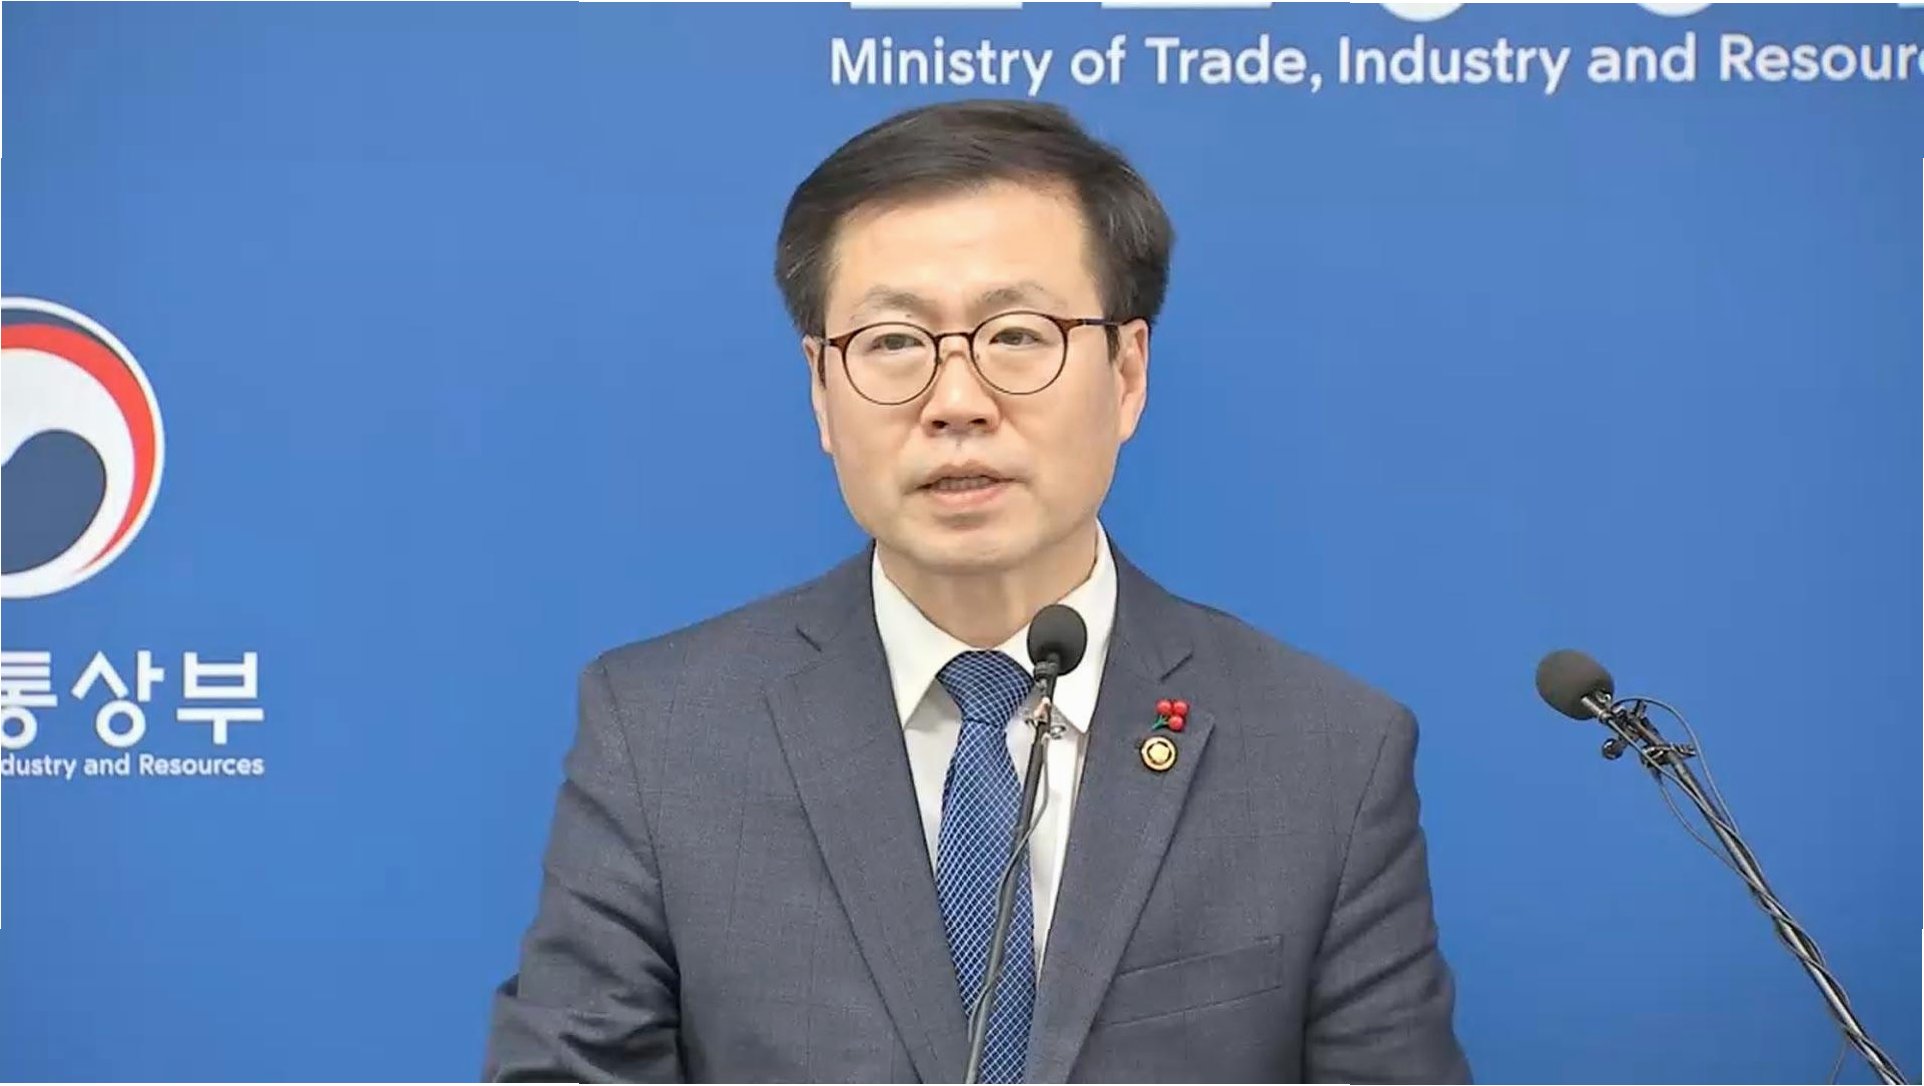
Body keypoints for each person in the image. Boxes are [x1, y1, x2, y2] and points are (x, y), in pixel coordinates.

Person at [484, 98, 1471, 1084]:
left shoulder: (1324, 755)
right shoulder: (664, 737)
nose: (957, 403)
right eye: (893, 343)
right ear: (821, 391)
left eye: (1018, 335)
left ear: (1127, 372)